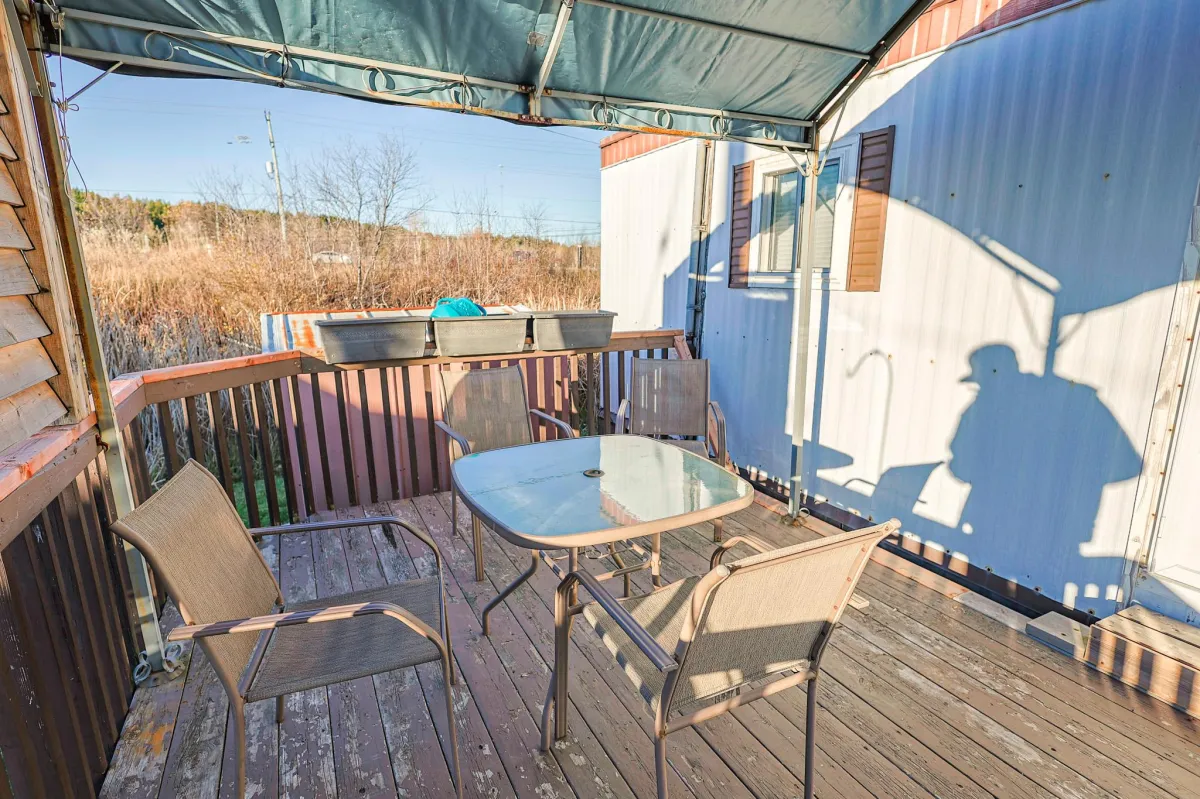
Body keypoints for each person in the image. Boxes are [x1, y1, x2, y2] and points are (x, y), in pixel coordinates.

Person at [947, 344, 1141, 586]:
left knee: (1018, 598)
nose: (981, 387)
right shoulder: (1074, 398)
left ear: (993, 373)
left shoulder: (1075, 400)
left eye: (982, 379)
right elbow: (960, 462)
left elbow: (1127, 464)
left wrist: (1068, 480)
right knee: (1000, 596)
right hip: (1014, 527)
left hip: (1039, 530)